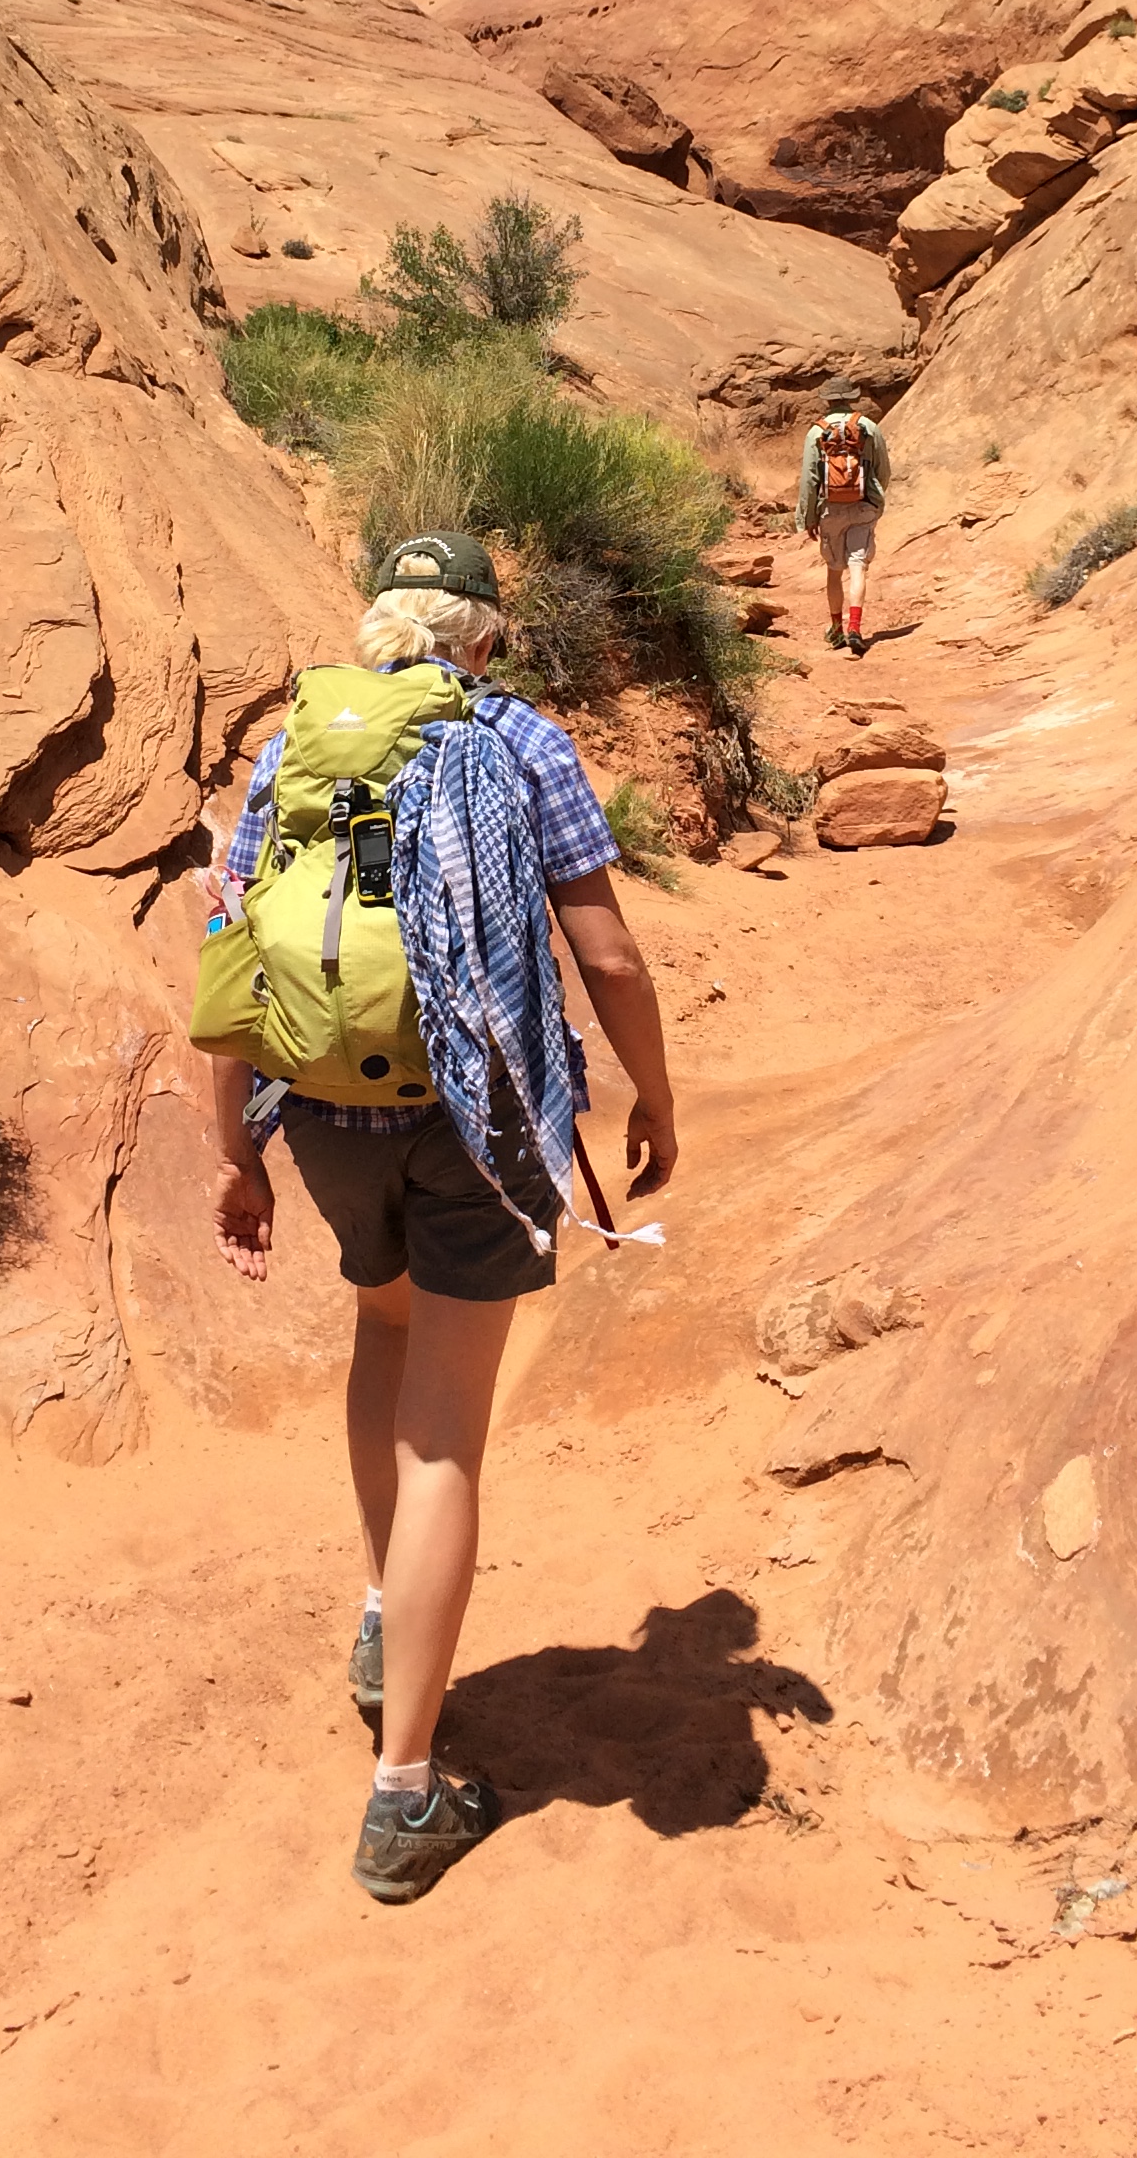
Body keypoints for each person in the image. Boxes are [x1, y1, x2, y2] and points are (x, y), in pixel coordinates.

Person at [204, 530, 678, 1904]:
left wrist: (233, 1152)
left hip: (322, 1117)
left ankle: (379, 1610)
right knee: (448, 1443)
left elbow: (233, 944)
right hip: (474, 1123)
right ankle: (406, 1792)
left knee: (379, 1334)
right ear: (482, 638)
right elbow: (608, 950)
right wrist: (655, 1099)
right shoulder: (522, 740)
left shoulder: (295, 741)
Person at [796, 376, 891, 655]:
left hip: (830, 509)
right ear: (851, 398)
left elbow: (809, 479)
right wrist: (875, 499)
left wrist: (808, 516)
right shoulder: (869, 427)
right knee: (858, 566)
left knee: (835, 570)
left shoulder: (817, 432)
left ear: (827, 400)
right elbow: (883, 470)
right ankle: (855, 628)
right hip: (864, 506)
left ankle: (837, 629)